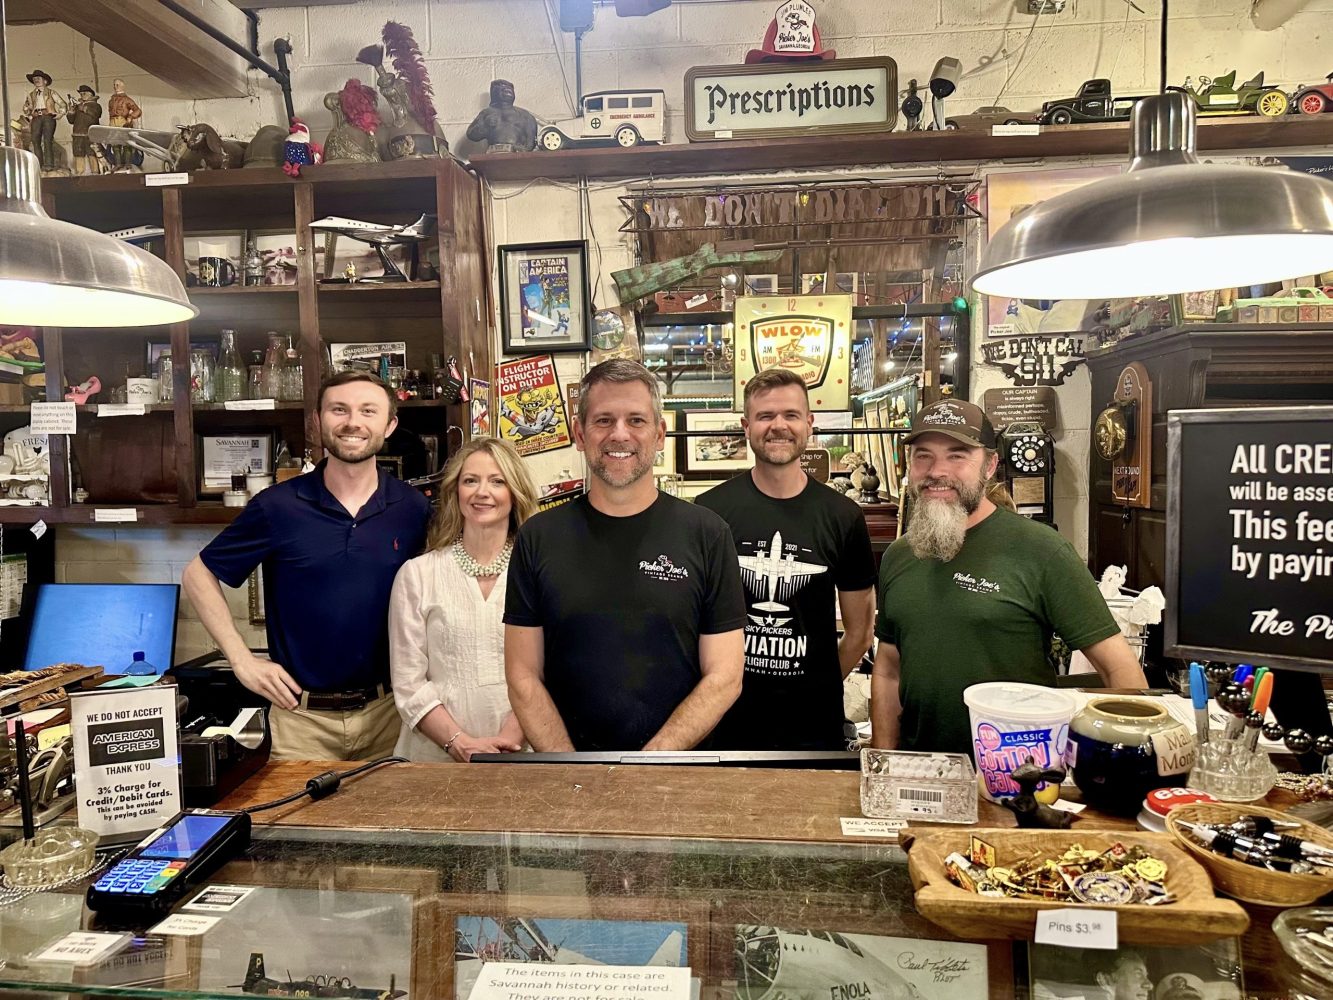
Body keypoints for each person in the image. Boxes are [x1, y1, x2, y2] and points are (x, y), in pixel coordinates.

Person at [870, 398, 1147, 756]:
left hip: (1020, 779)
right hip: (922, 772)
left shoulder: (1041, 550)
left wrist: (1122, 763)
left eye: (957, 455)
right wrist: (883, 760)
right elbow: (888, 671)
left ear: (990, 465)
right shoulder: (900, 555)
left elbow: (1120, 669)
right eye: (924, 455)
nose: (937, 470)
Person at [182, 372, 431, 761]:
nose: (353, 422)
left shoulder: (413, 508)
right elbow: (198, 573)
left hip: (391, 717)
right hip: (301, 722)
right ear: (318, 419)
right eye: (339, 409)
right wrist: (241, 660)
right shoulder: (277, 507)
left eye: (368, 411)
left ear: (390, 424)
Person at [505, 359, 746, 751]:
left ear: (659, 433)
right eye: (603, 420)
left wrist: (649, 763)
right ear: (580, 434)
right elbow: (522, 675)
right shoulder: (538, 537)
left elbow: (725, 676)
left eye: (636, 420)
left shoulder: (707, 533)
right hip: (568, 779)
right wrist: (570, 769)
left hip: (677, 777)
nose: (619, 434)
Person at [696, 368, 875, 750]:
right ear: (746, 426)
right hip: (726, 724)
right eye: (765, 416)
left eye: (791, 415)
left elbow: (860, 633)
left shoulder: (843, 516)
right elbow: (692, 624)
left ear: (809, 424)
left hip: (813, 726)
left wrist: (814, 686)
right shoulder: (709, 512)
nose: (779, 426)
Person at [388, 438, 537, 762]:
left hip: (522, 755)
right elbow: (408, 682)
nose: (482, 492)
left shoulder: (538, 574)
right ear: (456, 491)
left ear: (515, 492)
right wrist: (459, 742)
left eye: (497, 481)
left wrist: (511, 738)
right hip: (434, 760)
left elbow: (550, 669)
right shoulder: (418, 575)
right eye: (471, 480)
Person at [21, 70, 66, 172]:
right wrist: (26, 108)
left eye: (38, 78)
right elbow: (27, 109)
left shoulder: (51, 93)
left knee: (47, 140)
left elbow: (62, 103)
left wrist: (60, 113)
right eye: (34, 79)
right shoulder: (31, 94)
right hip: (36, 117)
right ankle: (39, 164)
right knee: (35, 140)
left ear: (45, 81)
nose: (36, 80)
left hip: (48, 117)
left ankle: (49, 164)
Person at [106, 79, 142, 170]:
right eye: (114, 85)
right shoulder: (111, 99)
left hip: (123, 122)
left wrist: (130, 117)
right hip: (113, 122)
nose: (115, 86)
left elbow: (138, 110)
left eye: (117, 84)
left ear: (122, 86)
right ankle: (118, 164)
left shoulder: (127, 99)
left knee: (126, 144)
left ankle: (128, 164)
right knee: (115, 144)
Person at [66, 86, 102, 175]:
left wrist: (85, 109)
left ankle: (95, 172)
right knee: (78, 154)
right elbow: (71, 120)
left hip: (91, 135)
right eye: (81, 94)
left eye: (84, 93)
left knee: (92, 154)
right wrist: (71, 111)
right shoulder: (78, 106)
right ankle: (80, 172)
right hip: (78, 134)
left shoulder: (96, 105)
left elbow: (96, 114)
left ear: (91, 94)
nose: (82, 95)